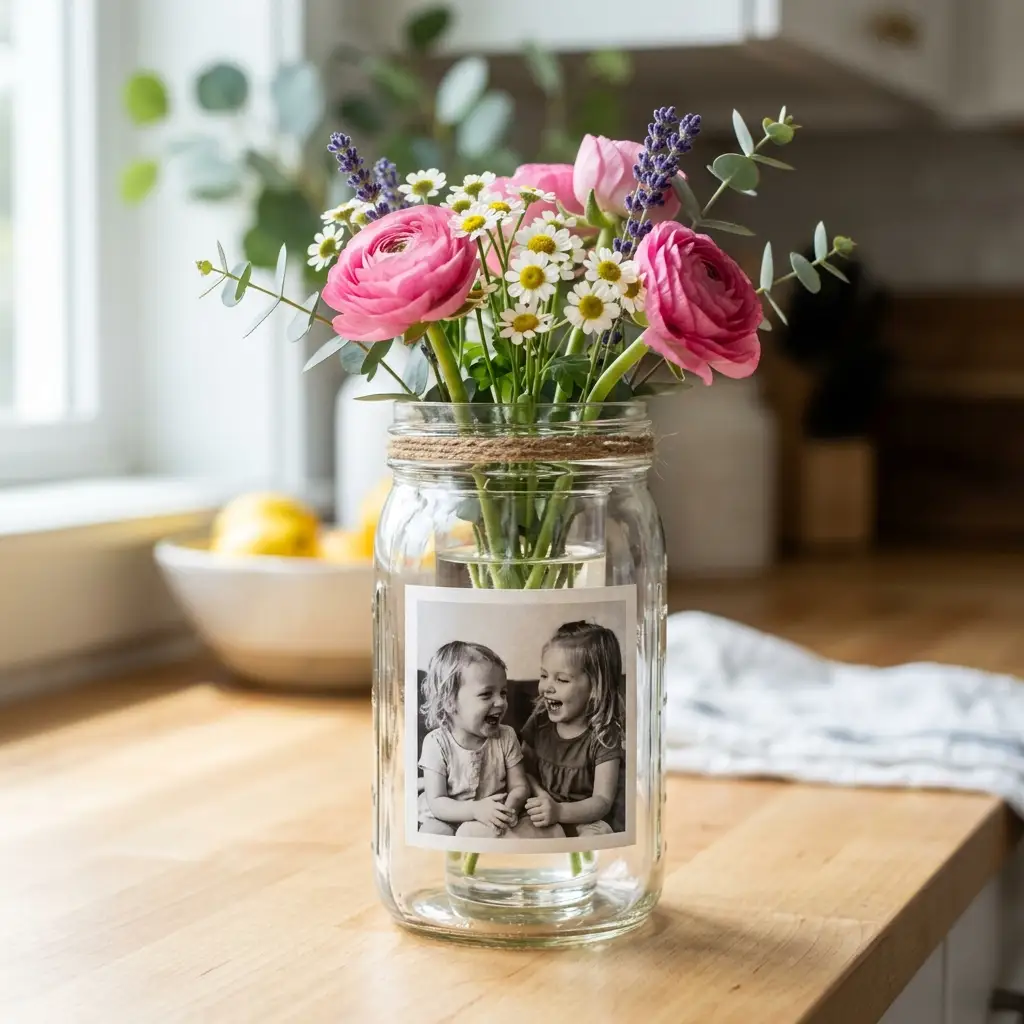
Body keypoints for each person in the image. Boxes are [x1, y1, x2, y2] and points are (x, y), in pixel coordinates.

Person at [418, 640, 561, 839]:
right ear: (450, 702)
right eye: (486, 694)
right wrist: (475, 810)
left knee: (538, 828)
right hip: (448, 817)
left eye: (503, 692)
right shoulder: (436, 743)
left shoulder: (507, 736)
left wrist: (510, 808)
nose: (501, 702)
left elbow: (519, 786)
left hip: (493, 817)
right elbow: (437, 802)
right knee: (432, 832)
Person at [522, 621, 626, 836]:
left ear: (595, 688)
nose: (547, 687)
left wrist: (560, 811)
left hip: (586, 820)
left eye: (561, 680)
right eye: (543, 675)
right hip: (546, 815)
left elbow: (602, 801)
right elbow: (524, 769)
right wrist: (542, 797)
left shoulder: (605, 735)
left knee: (597, 836)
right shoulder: (540, 720)